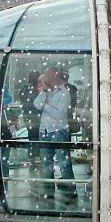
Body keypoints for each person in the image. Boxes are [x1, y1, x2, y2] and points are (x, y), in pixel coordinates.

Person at [34, 66, 76, 199]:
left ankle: (71, 192)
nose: (45, 78)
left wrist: (46, 106)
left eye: (47, 75)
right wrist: (44, 93)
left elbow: (59, 114)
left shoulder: (64, 93)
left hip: (59, 131)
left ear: (53, 76)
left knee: (64, 163)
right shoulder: (47, 92)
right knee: (46, 164)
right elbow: (37, 105)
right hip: (45, 130)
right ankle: (49, 193)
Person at [18, 70, 42, 172]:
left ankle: (32, 161)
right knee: (40, 139)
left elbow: (22, 100)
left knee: (31, 139)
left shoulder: (24, 89)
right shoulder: (38, 90)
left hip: (29, 119)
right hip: (39, 118)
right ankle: (42, 160)